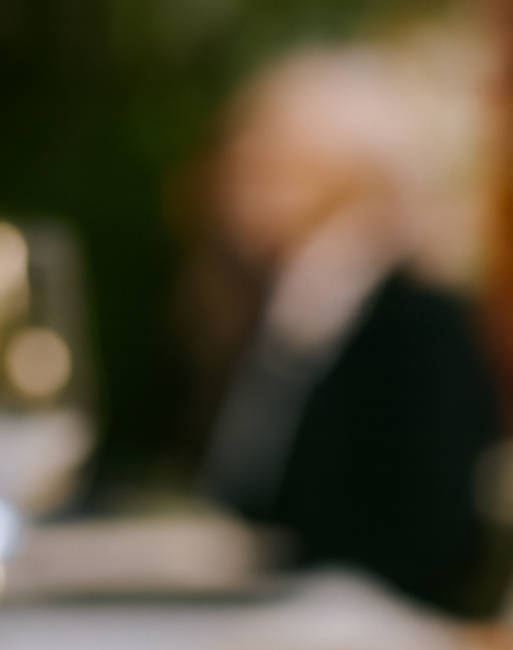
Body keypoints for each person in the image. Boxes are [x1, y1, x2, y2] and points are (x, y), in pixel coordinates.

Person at [196, 45, 503, 616]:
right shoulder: (282, 313)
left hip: (368, 634)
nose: (244, 177)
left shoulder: (418, 321)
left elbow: (432, 536)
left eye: (278, 159)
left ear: (359, 176)